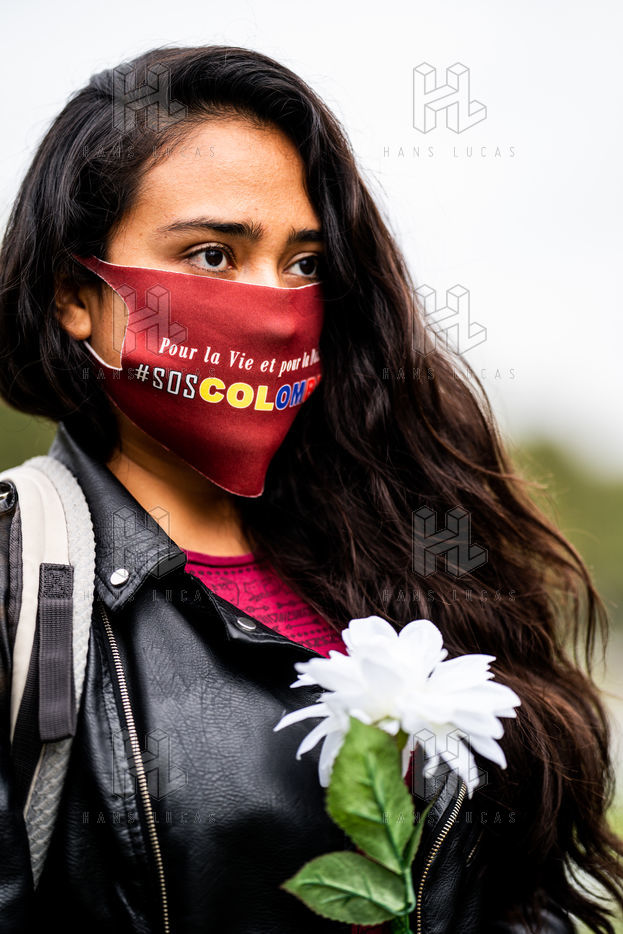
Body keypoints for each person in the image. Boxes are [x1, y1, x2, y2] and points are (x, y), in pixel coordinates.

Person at [0, 45, 621, 934]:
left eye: (303, 264)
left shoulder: (396, 543)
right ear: (76, 295)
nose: (274, 307)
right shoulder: (21, 582)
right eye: (213, 255)